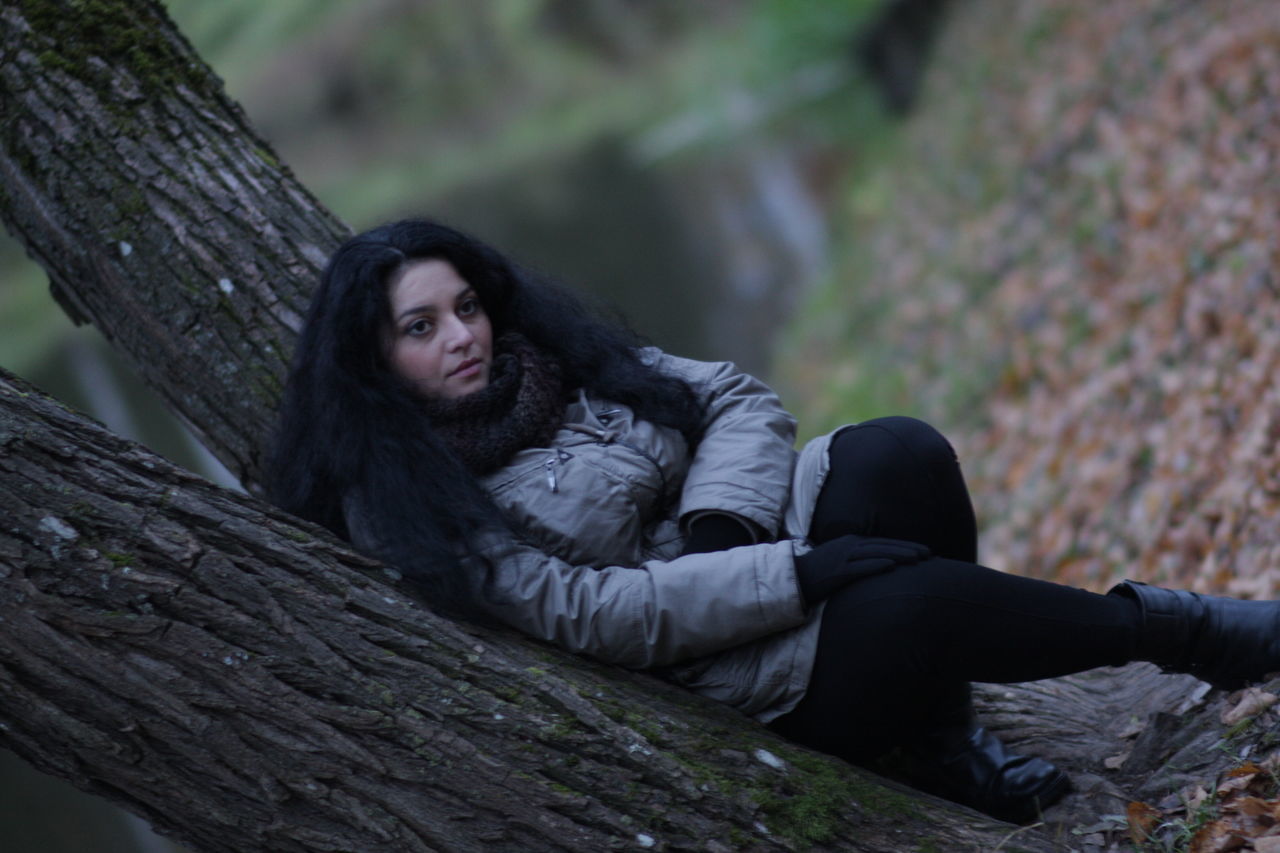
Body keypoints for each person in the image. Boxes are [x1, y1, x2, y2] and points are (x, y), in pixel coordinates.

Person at [267, 218, 1280, 824]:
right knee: (910, 599)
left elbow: (734, 399)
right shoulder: (405, 502)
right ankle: (1187, 634)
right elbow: (585, 611)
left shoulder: (554, 356)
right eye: (420, 326)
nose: (462, 337)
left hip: (752, 550)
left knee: (897, 449)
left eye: (465, 307)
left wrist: (726, 526)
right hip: (726, 678)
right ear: (373, 358)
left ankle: (939, 739)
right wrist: (792, 577)